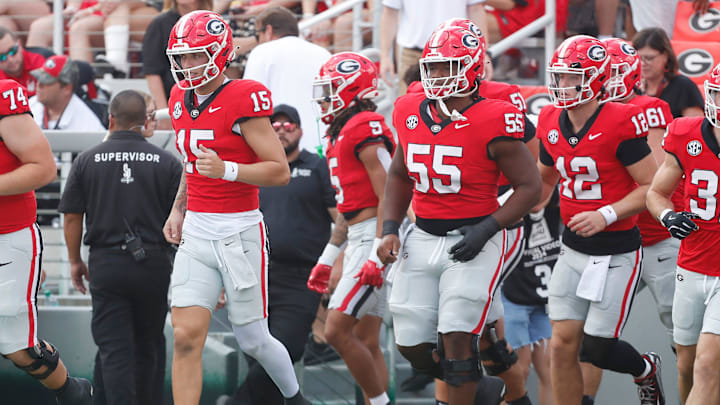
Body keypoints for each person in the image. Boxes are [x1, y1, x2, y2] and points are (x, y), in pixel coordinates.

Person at [378, 23, 541, 405]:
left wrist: (487, 229)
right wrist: (388, 229)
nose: (435, 76)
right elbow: (400, 173)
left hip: (476, 235)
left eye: (445, 67)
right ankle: (483, 386)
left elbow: (530, 185)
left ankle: (471, 384)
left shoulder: (496, 113)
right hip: (423, 235)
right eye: (431, 67)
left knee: (456, 335)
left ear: (471, 68)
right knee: (412, 345)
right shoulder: (408, 107)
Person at [162, 11, 308, 405]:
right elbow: (193, 164)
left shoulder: (243, 95)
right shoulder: (179, 98)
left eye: (198, 55)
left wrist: (227, 169)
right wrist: (179, 208)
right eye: (184, 56)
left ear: (221, 53)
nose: (189, 65)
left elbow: (279, 172)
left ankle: (295, 399)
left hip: (238, 231)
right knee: (185, 336)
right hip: (196, 231)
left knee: (254, 339)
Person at [535, 35, 663, 405]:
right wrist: (519, 207)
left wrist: (606, 213)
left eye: (571, 78)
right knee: (561, 346)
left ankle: (644, 369)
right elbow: (545, 176)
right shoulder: (548, 119)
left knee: (597, 349)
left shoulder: (621, 120)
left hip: (617, 251)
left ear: (595, 79)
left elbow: (651, 186)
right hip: (571, 250)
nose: (561, 85)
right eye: (558, 77)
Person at [57, 89, 181, 405]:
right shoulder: (167, 162)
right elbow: (180, 220)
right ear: (145, 121)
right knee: (149, 343)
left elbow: (72, 218)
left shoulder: (86, 160)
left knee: (114, 346)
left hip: (107, 262)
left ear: (111, 119)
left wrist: (74, 260)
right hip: (154, 263)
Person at [580, 37, 678, 405]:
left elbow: (651, 183)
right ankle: (597, 394)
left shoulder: (648, 107)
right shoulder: (582, 115)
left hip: (656, 239)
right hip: (613, 242)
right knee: (590, 335)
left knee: (683, 334)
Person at [225, 104, 338, 405]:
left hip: (301, 277)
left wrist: (336, 262)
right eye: (274, 125)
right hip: (253, 272)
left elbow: (341, 218)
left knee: (284, 349)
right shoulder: (252, 168)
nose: (281, 129)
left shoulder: (316, 166)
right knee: (256, 353)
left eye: (289, 125)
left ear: (301, 131)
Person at [305, 51, 394, 405]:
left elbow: (389, 191)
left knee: (335, 330)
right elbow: (348, 205)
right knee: (367, 341)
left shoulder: (364, 125)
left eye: (331, 91)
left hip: (375, 235)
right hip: (360, 233)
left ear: (351, 90)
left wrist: (379, 249)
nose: (324, 99)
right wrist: (328, 257)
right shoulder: (340, 130)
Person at [0, 78, 93, 405]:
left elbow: (43, 168)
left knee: (18, 348)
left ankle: (74, 393)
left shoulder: (3, 96)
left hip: (7, 235)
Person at [646, 61, 720, 405]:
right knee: (687, 366)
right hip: (691, 263)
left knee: (707, 364)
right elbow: (655, 193)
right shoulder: (685, 133)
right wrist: (668, 216)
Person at [244, 6, 331, 154]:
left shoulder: (261, 52)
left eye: (257, 35)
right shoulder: (324, 54)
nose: (257, 41)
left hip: (280, 149)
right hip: (322, 147)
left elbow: (248, 104)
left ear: (269, 30)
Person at [501, 190, 560, 405]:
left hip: (544, 297)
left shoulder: (557, 195)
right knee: (517, 372)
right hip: (512, 295)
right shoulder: (508, 195)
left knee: (552, 369)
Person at [379, 0, 488, 95]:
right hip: (414, 54)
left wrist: (483, 53)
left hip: (457, 56)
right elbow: (390, 11)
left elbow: (476, 9)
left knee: (457, 110)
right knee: (409, 109)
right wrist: (385, 56)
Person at [142, 0, 213, 127]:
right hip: (175, 102)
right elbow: (152, 72)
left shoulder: (214, 24)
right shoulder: (159, 23)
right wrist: (164, 114)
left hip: (211, 101)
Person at [632, 27, 704, 119]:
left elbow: (696, 127)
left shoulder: (684, 86)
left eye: (649, 58)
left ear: (665, 56)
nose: (643, 63)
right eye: (639, 58)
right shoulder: (633, 88)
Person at [28, 55, 105, 131]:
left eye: (46, 81)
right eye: (38, 78)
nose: (39, 84)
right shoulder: (29, 106)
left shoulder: (88, 125)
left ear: (67, 88)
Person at [0, 26, 47, 96]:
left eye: (12, 51)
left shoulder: (43, 58)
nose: (10, 59)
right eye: (1, 57)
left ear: (20, 44)